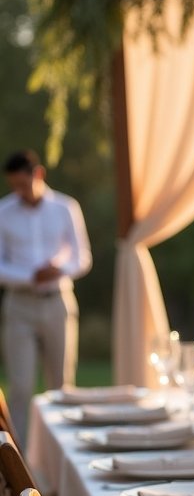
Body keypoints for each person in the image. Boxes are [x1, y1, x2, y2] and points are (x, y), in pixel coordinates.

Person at [0, 150, 92, 445]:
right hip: (19, 305)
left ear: (38, 174)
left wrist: (58, 270)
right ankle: (17, 468)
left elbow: (82, 257)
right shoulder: (4, 211)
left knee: (61, 384)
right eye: (14, 185)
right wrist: (29, 277)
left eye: (23, 184)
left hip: (57, 302)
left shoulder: (66, 207)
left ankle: (61, 456)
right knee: (21, 386)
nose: (19, 191)